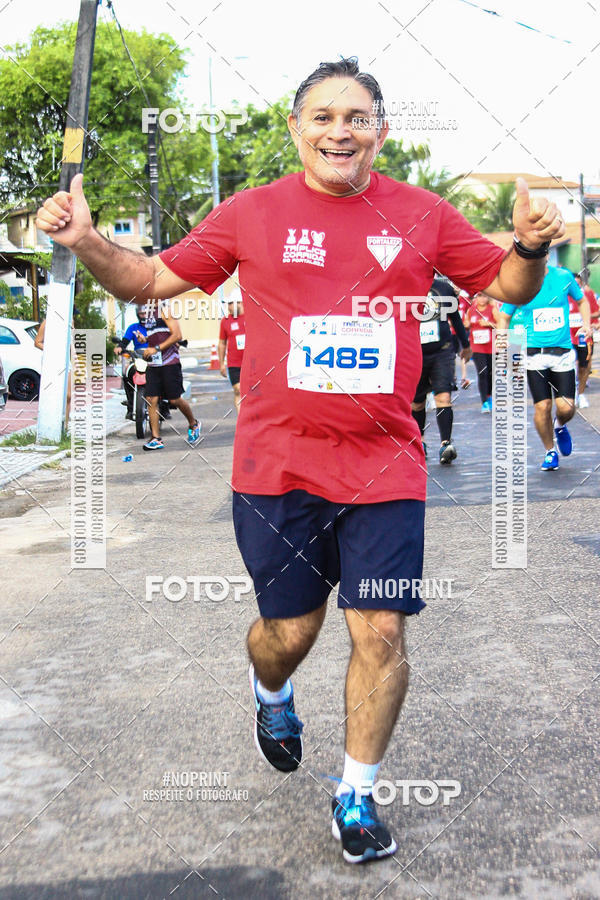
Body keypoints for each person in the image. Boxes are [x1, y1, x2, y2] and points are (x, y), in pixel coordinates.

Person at [36, 57, 566, 863]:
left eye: (356, 117)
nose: (338, 131)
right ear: (296, 129)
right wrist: (86, 240)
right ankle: (272, 691)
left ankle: (355, 794)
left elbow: (508, 287)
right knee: (289, 631)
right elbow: (148, 279)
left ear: (380, 133)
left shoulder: (421, 213)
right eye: (321, 116)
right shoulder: (253, 211)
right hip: (276, 468)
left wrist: (527, 247)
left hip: (386, 466)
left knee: (382, 630)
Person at [498, 264, 590, 470]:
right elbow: (504, 315)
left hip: (562, 353)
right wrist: (503, 338)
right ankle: (550, 451)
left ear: (547, 254)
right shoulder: (520, 280)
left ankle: (559, 425)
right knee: (542, 406)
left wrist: (587, 324)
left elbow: (582, 301)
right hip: (534, 356)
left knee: (566, 407)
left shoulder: (563, 276)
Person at [411, 276, 472, 463]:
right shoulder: (406, 286)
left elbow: (455, 319)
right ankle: (419, 441)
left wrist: (465, 344)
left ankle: (446, 444)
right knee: (417, 403)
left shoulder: (443, 288)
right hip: (415, 353)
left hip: (442, 351)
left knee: (443, 397)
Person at [140, 300, 201, 451]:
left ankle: (193, 423)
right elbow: (159, 335)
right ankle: (156, 438)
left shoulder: (165, 310)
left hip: (169, 363)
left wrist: (155, 348)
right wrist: (145, 340)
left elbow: (177, 335)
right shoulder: (148, 314)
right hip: (154, 364)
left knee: (174, 399)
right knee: (151, 399)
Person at [464, 292, 501, 413]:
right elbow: (466, 323)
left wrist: (489, 324)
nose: (482, 299)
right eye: (479, 296)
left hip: (491, 346)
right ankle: (484, 401)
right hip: (477, 346)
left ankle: (489, 396)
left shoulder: (493, 309)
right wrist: (467, 325)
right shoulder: (472, 309)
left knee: (491, 373)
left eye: (484, 296)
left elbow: (501, 325)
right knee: (482, 372)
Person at [113, 309, 148, 420]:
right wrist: (120, 347)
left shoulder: (156, 327)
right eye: (141, 313)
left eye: (146, 313)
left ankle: (164, 404)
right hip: (138, 358)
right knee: (127, 374)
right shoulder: (133, 327)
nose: (143, 316)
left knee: (164, 374)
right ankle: (131, 404)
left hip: (155, 358)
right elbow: (124, 342)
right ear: (137, 314)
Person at [572, 274, 599, 408]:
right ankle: (571, 392)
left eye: (578, 284)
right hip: (567, 338)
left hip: (584, 337)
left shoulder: (587, 296)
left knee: (584, 367)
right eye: (573, 284)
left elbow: (596, 312)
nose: (576, 287)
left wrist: (586, 319)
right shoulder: (564, 297)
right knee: (570, 365)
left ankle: (581, 394)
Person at [218, 289, 246, 414]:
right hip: (234, 363)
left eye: (231, 303)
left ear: (239, 303)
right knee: (238, 390)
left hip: (251, 361)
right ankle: (242, 420)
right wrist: (221, 363)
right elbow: (222, 343)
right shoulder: (226, 321)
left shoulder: (251, 317)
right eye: (227, 304)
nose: (228, 307)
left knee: (253, 392)